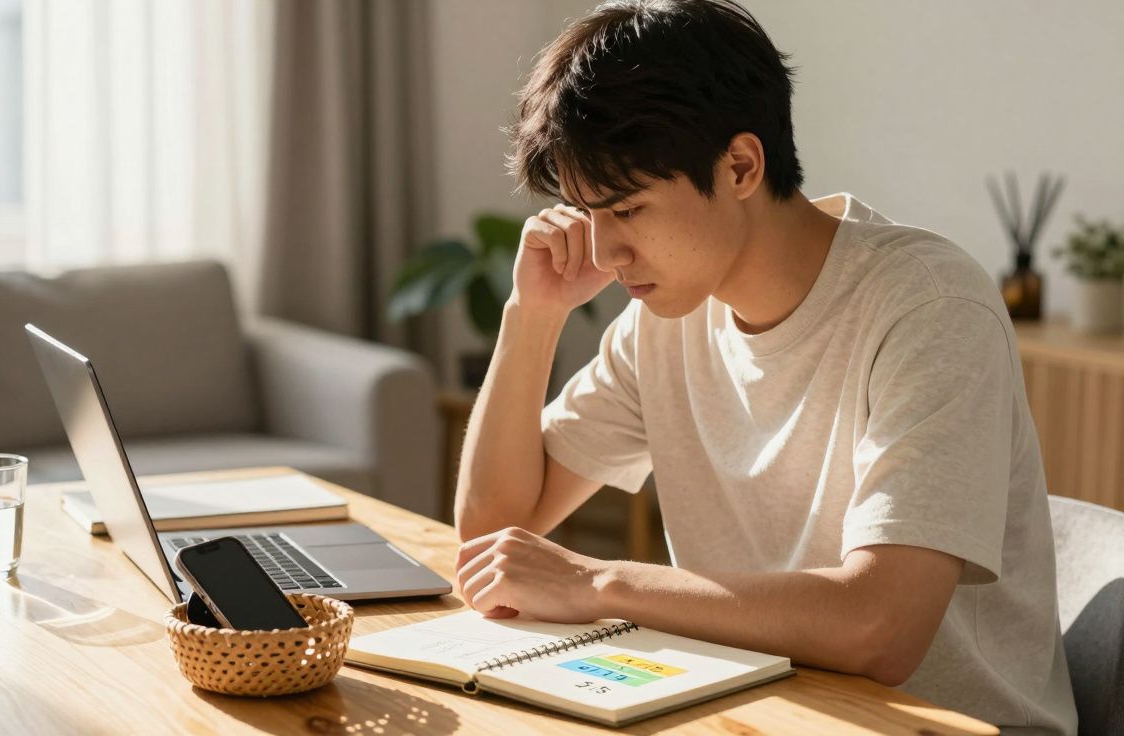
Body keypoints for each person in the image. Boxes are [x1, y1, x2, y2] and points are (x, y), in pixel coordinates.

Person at [451, 1, 1076, 732]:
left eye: (625, 209)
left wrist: (596, 582)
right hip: (759, 712)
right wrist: (533, 316)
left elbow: (881, 627)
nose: (603, 252)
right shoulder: (664, 322)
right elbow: (493, 536)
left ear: (741, 165)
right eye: (587, 213)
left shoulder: (928, 308)